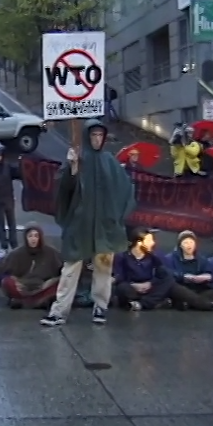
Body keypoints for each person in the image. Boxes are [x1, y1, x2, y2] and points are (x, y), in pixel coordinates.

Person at [40, 118, 136, 326]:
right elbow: (64, 190)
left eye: (100, 135)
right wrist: (72, 169)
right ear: (87, 136)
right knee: (71, 268)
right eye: (93, 135)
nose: (97, 139)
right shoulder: (78, 159)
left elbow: (126, 189)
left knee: (103, 268)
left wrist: (117, 217)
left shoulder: (110, 161)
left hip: (104, 226)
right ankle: (59, 311)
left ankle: (100, 307)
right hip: (80, 226)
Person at [113, 227, 213, 311]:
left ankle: (209, 305)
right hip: (132, 289)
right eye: (149, 241)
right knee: (122, 288)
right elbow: (119, 277)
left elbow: (164, 273)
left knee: (170, 281)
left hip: (151, 289)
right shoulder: (122, 257)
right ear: (139, 243)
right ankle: (152, 302)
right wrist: (134, 285)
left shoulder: (155, 255)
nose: (153, 243)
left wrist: (150, 283)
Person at [0, 222, 62, 309]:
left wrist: (51, 281)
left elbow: (63, 266)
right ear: (26, 237)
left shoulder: (50, 252)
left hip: (42, 286)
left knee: (61, 282)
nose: (33, 239)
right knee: (7, 282)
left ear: (40, 237)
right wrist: (14, 279)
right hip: (22, 286)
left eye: (36, 236)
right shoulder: (17, 253)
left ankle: (27, 301)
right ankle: (37, 301)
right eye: (30, 236)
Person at [164, 230, 213, 310]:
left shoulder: (201, 259)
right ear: (180, 245)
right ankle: (210, 305)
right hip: (181, 288)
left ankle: (189, 303)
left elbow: (212, 273)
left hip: (197, 289)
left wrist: (207, 277)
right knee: (177, 289)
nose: (189, 245)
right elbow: (168, 273)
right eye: (186, 243)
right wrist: (184, 277)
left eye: (191, 242)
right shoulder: (170, 258)